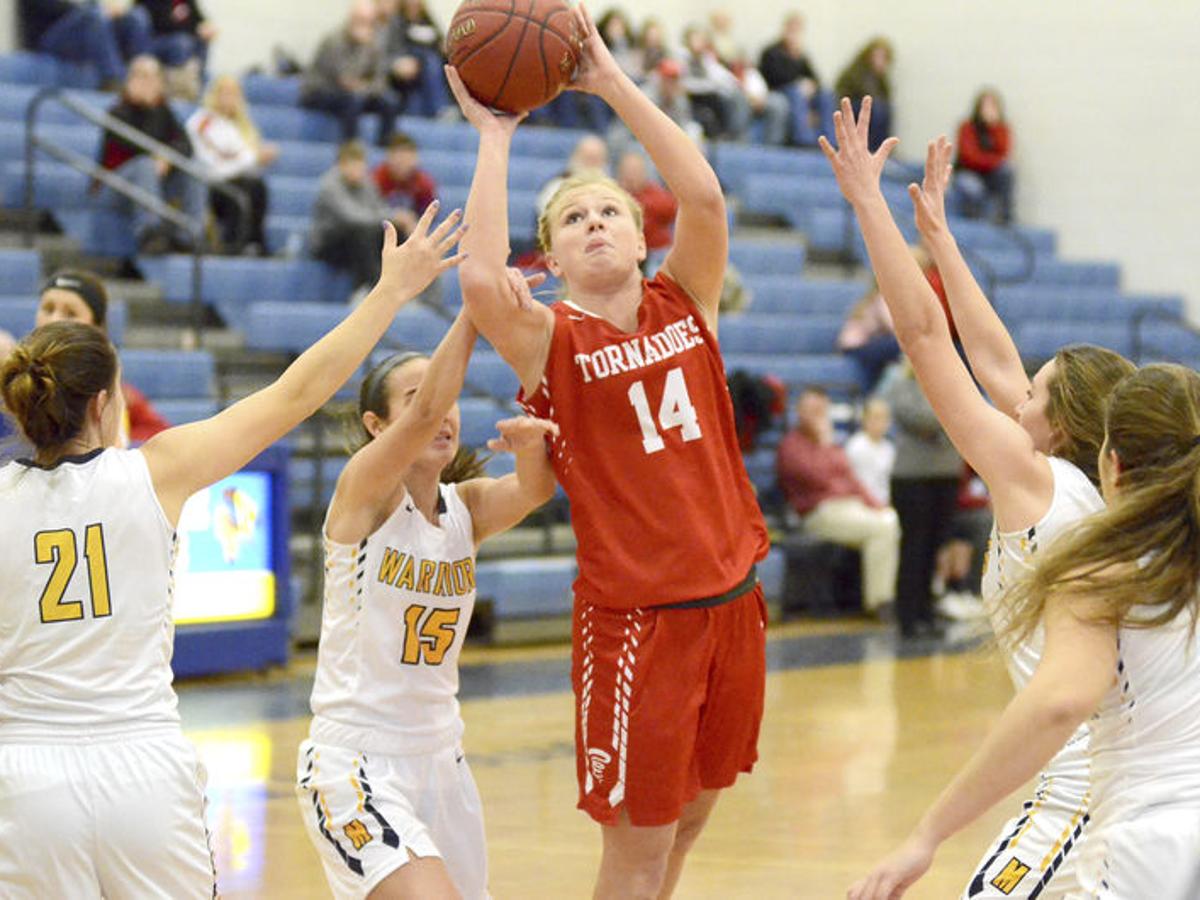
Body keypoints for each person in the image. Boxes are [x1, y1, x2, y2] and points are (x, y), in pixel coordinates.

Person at [0, 206, 465, 898]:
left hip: (24, 775)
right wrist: (389, 291)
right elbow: (299, 392)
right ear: (104, 403)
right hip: (142, 769)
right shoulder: (156, 471)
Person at [447, 2, 771, 894]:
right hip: (639, 623)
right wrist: (496, 133)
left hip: (733, 600)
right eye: (574, 219)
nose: (594, 223)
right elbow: (480, 278)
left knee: (693, 815)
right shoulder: (549, 338)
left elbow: (702, 195)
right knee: (636, 842)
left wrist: (607, 78)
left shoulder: (686, 301)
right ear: (547, 257)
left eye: (609, 213)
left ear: (640, 237)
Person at [820, 98, 1135, 897]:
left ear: (1056, 424)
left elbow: (926, 339)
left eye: (1031, 397)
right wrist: (942, 240)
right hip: (1111, 774)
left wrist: (867, 202)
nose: (1012, 400)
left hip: (1083, 788)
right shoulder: (1081, 476)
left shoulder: (1035, 481)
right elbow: (994, 357)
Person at [850, 364, 1200, 899]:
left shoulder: (1103, 570)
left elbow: (1058, 703)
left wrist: (929, 833)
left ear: (1113, 462)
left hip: (1151, 839)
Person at [296, 303, 558, 900]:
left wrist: (531, 446)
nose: (442, 413)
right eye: (418, 398)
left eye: (449, 399)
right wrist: (475, 307)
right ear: (375, 424)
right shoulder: (364, 497)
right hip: (357, 762)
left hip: (442, 759)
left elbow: (535, 489)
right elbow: (420, 418)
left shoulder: (465, 506)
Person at [777, 387, 899, 617]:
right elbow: (815, 476)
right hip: (818, 512)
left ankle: (898, 595)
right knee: (882, 528)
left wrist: (876, 504)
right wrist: (824, 444)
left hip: (849, 507)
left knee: (891, 518)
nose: (818, 416)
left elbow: (851, 478)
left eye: (822, 410)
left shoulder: (833, 444)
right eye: (812, 410)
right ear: (799, 411)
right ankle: (880, 601)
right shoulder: (791, 446)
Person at [878, 358, 962, 638]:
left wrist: (943, 422)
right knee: (914, 546)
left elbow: (964, 416)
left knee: (935, 546)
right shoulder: (904, 385)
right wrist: (947, 421)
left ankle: (927, 610)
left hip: (946, 475)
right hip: (912, 477)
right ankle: (908, 616)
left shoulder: (954, 386)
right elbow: (916, 416)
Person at [37, 269, 169, 444]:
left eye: (70, 314)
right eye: (48, 309)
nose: (54, 320)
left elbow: (158, 433)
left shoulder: (118, 393)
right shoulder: (14, 382)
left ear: (96, 328)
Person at [96, 54, 206, 255]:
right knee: (144, 164)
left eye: (153, 77)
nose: (148, 82)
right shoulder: (118, 112)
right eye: (141, 76)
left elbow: (186, 146)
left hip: (153, 185)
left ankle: (189, 237)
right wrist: (142, 107)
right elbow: (135, 145)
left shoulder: (164, 111)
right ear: (130, 80)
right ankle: (149, 233)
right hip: (116, 185)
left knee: (195, 167)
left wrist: (167, 156)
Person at [186, 75, 278, 255]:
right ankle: (233, 246)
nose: (230, 99)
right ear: (214, 95)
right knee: (240, 191)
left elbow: (246, 161)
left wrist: (253, 159)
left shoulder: (240, 127)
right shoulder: (201, 122)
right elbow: (211, 165)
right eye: (225, 93)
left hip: (237, 181)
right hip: (209, 185)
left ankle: (255, 244)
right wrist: (253, 158)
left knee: (257, 187)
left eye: (234, 94)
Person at [301, 0, 401, 146]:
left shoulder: (374, 44)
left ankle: (384, 147)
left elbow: (380, 81)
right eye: (360, 20)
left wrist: (365, 88)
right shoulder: (334, 40)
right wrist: (360, 46)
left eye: (369, 22)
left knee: (390, 101)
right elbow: (344, 77)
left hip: (357, 92)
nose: (364, 25)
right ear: (351, 19)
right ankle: (350, 148)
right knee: (353, 101)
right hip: (322, 91)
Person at [311, 140, 393, 295]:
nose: (358, 170)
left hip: (356, 240)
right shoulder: (329, 185)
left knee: (392, 232)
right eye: (353, 166)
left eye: (361, 166)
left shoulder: (367, 182)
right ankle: (376, 289)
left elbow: (380, 208)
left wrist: (394, 218)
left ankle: (406, 289)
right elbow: (352, 216)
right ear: (341, 165)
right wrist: (388, 216)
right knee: (363, 232)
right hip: (329, 244)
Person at [18, 0, 138, 89]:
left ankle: (141, 75)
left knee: (135, 17)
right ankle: (114, 80)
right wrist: (101, 8)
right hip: (47, 38)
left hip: (81, 32)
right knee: (93, 15)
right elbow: (53, 8)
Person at [758, 12, 834, 148]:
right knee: (796, 92)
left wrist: (811, 86)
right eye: (791, 29)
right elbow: (774, 77)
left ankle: (830, 141)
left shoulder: (801, 56)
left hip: (802, 93)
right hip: (780, 90)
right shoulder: (772, 52)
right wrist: (799, 83)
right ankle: (804, 139)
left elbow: (815, 78)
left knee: (826, 95)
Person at [124, 0, 216, 97]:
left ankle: (197, 88)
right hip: (154, 42)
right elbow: (162, 24)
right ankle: (178, 92)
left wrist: (206, 27)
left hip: (182, 37)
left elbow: (199, 18)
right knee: (181, 43)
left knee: (201, 40)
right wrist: (194, 29)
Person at [378, 0, 449, 118]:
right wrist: (398, 64)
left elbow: (440, 42)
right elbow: (389, 54)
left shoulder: (428, 20)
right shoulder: (397, 22)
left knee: (432, 60)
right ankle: (440, 108)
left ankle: (442, 109)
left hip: (430, 73)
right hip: (408, 76)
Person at [955, 88, 1014, 224]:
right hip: (969, 172)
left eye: (993, 106)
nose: (989, 110)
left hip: (991, 176)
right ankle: (975, 222)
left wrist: (994, 127)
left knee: (1007, 170)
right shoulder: (967, 127)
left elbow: (1004, 154)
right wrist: (991, 161)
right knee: (972, 188)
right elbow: (970, 157)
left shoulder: (1002, 129)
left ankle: (1005, 218)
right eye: (986, 105)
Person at [373, 132, 438, 237]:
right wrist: (394, 216)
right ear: (389, 158)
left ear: (415, 160)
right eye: (399, 160)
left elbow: (430, 212)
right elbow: (369, 211)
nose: (402, 165)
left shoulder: (423, 183)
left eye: (407, 160)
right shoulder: (376, 179)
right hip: (379, 230)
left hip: (410, 229)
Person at [834, 39, 894, 151]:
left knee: (885, 109)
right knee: (876, 109)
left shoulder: (881, 80)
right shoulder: (854, 73)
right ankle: (870, 148)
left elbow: (885, 99)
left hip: (871, 111)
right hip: (852, 109)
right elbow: (841, 95)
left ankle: (881, 149)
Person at [615, 151, 677, 254]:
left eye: (635, 171)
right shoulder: (614, 195)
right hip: (624, 251)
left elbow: (671, 210)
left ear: (643, 172)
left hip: (656, 250)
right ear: (620, 173)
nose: (631, 176)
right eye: (628, 171)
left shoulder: (655, 193)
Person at [844, 396, 894, 507]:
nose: (880, 422)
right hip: (860, 504)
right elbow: (854, 483)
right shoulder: (855, 447)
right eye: (875, 417)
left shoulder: (889, 448)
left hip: (884, 504)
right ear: (864, 419)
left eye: (884, 418)